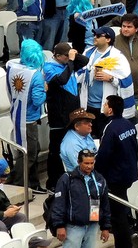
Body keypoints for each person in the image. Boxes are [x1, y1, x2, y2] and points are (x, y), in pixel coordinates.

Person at [43, 43, 89, 187]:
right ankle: (53, 181)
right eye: (66, 56)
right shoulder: (49, 67)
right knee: (56, 150)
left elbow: (85, 62)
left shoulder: (68, 63)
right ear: (57, 56)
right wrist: (70, 61)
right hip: (58, 116)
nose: (69, 58)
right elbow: (61, 80)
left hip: (71, 114)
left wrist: (74, 55)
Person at [5, 40, 47, 192]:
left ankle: (33, 182)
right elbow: (37, 100)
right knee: (29, 154)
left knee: (31, 151)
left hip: (16, 113)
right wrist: (45, 91)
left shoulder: (12, 67)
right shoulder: (36, 76)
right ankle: (17, 183)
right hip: (29, 119)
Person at [95, 96, 137, 248]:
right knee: (122, 211)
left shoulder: (110, 127)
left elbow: (104, 154)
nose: (103, 106)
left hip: (115, 177)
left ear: (110, 109)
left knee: (118, 217)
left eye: (105, 104)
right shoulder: (129, 124)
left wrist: (97, 172)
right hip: (129, 173)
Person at [78, 26, 134, 136]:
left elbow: (125, 80)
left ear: (108, 39)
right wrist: (87, 72)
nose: (95, 37)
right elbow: (78, 73)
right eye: (94, 35)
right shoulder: (87, 53)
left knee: (105, 136)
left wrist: (111, 78)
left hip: (106, 109)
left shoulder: (117, 57)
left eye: (98, 36)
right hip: (88, 106)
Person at [49, 149, 112, 248]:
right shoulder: (67, 179)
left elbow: (105, 205)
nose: (89, 166)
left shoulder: (99, 179)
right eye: (86, 163)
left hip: (93, 225)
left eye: (92, 163)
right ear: (78, 162)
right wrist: (59, 226)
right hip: (74, 227)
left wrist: (106, 227)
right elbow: (59, 204)